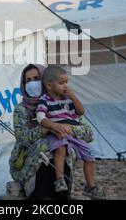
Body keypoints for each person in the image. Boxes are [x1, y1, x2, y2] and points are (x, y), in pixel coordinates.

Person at [9, 64, 94, 199]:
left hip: (62, 161)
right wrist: (46, 129)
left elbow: (88, 133)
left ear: (47, 82)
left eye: (36, 78)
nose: (32, 84)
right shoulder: (21, 109)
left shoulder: (65, 103)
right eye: (28, 80)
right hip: (33, 164)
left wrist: (67, 128)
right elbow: (21, 139)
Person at [36, 65, 106, 199]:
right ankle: (60, 180)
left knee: (90, 155)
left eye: (66, 82)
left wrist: (73, 97)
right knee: (60, 149)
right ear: (49, 86)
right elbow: (40, 117)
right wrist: (54, 126)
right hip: (58, 133)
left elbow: (81, 112)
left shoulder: (67, 98)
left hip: (72, 133)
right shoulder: (44, 100)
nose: (65, 86)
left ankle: (91, 186)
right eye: (61, 83)